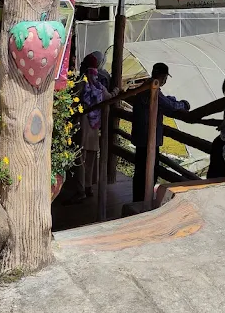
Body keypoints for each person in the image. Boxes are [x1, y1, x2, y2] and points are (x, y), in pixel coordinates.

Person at [65, 52, 119, 205]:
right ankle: (89, 187)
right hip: (94, 126)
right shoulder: (99, 86)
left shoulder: (81, 84)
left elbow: (72, 102)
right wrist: (117, 91)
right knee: (90, 158)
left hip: (82, 125)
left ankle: (80, 190)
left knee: (79, 159)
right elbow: (110, 97)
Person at [132, 62, 190, 201]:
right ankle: (144, 200)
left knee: (140, 170)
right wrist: (183, 104)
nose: (165, 80)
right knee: (149, 170)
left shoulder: (146, 86)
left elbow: (164, 100)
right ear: (162, 76)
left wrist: (173, 101)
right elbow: (168, 105)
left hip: (141, 136)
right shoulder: (153, 87)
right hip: (148, 138)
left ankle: (139, 198)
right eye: (165, 77)